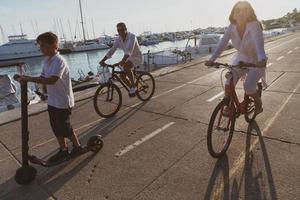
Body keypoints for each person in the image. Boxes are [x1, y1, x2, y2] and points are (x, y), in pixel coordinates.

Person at [16, 32, 82, 163]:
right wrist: (33, 82)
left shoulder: (59, 61)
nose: (40, 48)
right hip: (53, 100)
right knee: (55, 127)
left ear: (54, 45)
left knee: (65, 127)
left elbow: (52, 80)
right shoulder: (46, 60)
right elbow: (42, 78)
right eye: (39, 45)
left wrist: (28, 79)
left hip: (63, 101)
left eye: (43, 45)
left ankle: (77, 147)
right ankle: (63, 150)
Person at [205, 1, 267, 115]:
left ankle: (259, 104)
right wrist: (211, 60)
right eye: (237, 10)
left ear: (249, 13)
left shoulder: (254, 25)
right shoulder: (231, 27)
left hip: (256, 60)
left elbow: (260, 46)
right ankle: (229, 106)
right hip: (241, 58)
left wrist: (262, 60)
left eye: (244, 10)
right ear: (233, 14)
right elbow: (222, 44)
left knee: (248, 86)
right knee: (229, 81)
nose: (241, 13)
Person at [99, 22, 143, 97]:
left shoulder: (132, 36)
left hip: (137, 57)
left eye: (122, 30)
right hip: (128, 58)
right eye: (118, 30)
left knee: (126, 67)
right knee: (122, 76)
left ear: (126, 29)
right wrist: (103, 60)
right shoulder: (118, 39)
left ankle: (133, 86)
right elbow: (112, 50)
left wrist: (123, 61)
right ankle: (133, 88)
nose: (120, 32)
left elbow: (129, 50)